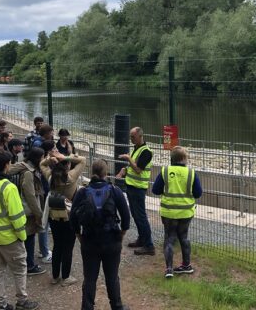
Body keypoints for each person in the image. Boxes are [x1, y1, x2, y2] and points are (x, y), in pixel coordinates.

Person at [0, 151, 39, 310]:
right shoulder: (9, 188)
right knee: (20, 269)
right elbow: (17, 216)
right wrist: (21, 235)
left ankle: (2, 304)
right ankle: (22, 300)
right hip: (10, 237)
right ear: (7, 166)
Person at [71, 159, 130, 310]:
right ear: (106, 173)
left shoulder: (82, 192)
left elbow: (73, 217)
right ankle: (116, 306)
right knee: (112, 277)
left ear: (92, 173)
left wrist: (79, 235)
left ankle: (87, 307)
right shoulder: (114, 190)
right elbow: (126, 216)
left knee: (90, 278)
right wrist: (121, 234)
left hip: (89, 241)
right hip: (111, 240)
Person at [152, 146, 202, 278]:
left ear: (172, 159)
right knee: (184, 237)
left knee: (169, 238)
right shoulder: (191, 173)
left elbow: (155, 190)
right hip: (185, 212)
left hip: (168, 211)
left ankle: (169, 269)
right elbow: (198, 193)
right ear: (184, 159)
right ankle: (186, 265)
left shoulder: (165, 171)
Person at [40, 151, 85, 286]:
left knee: (57, 245)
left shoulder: (50, 177)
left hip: (54, 216)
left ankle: (55, 276)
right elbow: (83, 160)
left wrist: (51, 159)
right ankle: (66, 277)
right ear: (68, 165)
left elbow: (42, 164)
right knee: (68, 247)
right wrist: (64, 156)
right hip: (69, 217)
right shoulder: (70, 177)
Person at [116, 127, 155, 255]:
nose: (131, 139)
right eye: (130, 136)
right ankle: (142, 239)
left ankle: (149, 245)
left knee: (141, 216)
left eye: (133, 136)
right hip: (132, 187)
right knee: (135, 215)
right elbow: (133, 168)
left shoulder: (146, 152)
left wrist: (128, 158)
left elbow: (138, 169)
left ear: (140, 136)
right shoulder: (137, 149)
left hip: (138, 189)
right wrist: (125, 170)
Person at [8, 147, 47, 275]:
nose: (44, 160)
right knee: (29, 238)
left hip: (22, 209)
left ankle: (24, 262)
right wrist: (38, 214)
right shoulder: (29, 173)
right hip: (28, 211)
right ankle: (29, 265)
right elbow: (30, 195)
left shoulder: (23, 167)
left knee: (24, 238)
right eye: (42, 157)